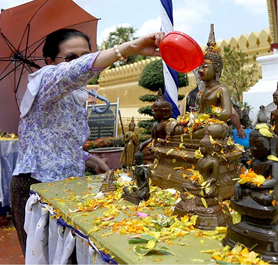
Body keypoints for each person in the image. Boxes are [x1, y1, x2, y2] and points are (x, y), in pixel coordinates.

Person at [9, 29, 164, 253]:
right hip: (36, 187)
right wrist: (128, 49)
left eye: (86, 54)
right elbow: (74, 72)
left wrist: (89, 158)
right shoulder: (46, 81)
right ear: (50, 62)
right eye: (71, 57)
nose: (79, 62)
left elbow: (58, 141)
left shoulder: (74, 94)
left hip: (67, 186)